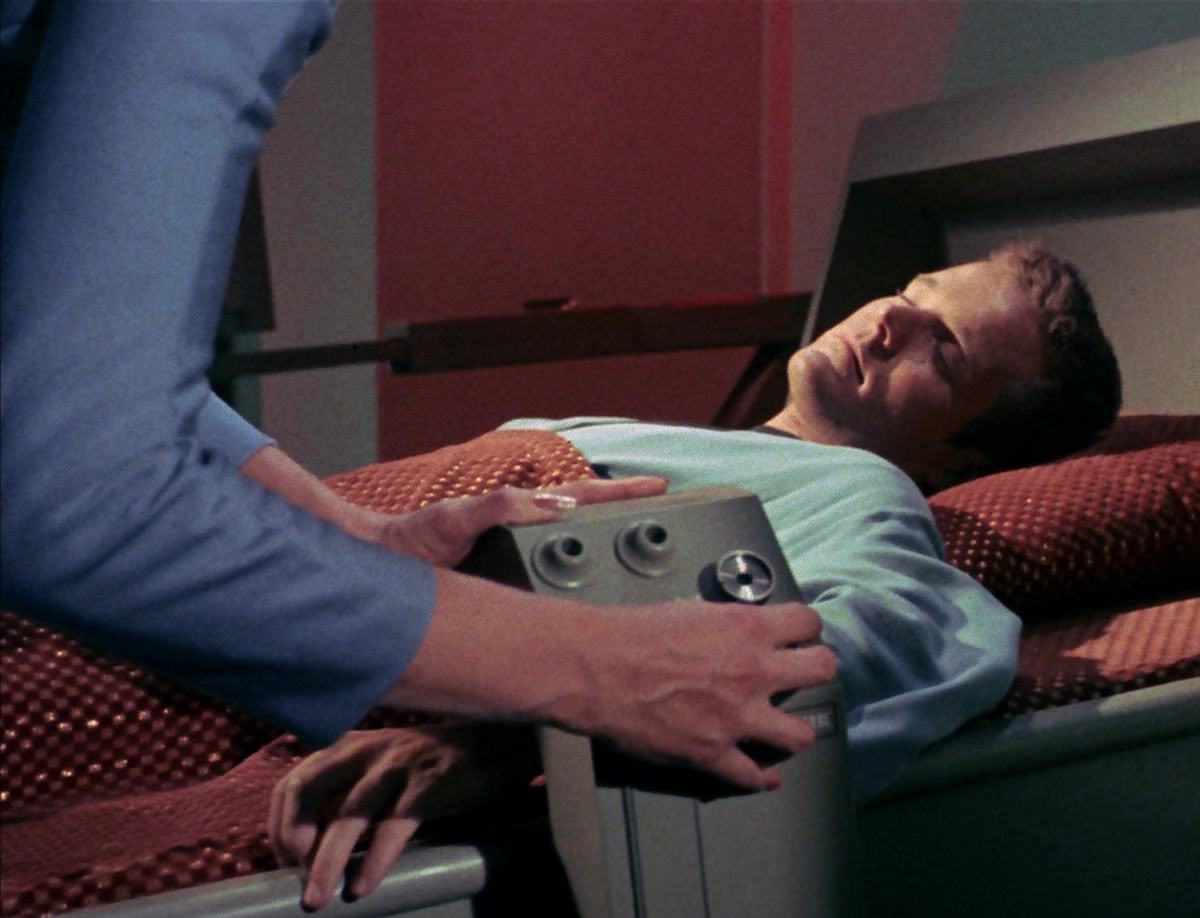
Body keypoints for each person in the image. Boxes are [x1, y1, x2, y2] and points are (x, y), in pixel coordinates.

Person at [0, 0, 834, 843]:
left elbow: (54, 368)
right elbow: (74, 479)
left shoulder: (863, 493)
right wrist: (596, 670)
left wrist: (356, 537)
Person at [270, 241, 1122, 908]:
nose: (889, 320)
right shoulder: (682, 443)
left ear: (960, 461)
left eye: (946, 352)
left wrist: (513, 743)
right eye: (913, 292)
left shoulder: (868, 494)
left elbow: (845, 645)